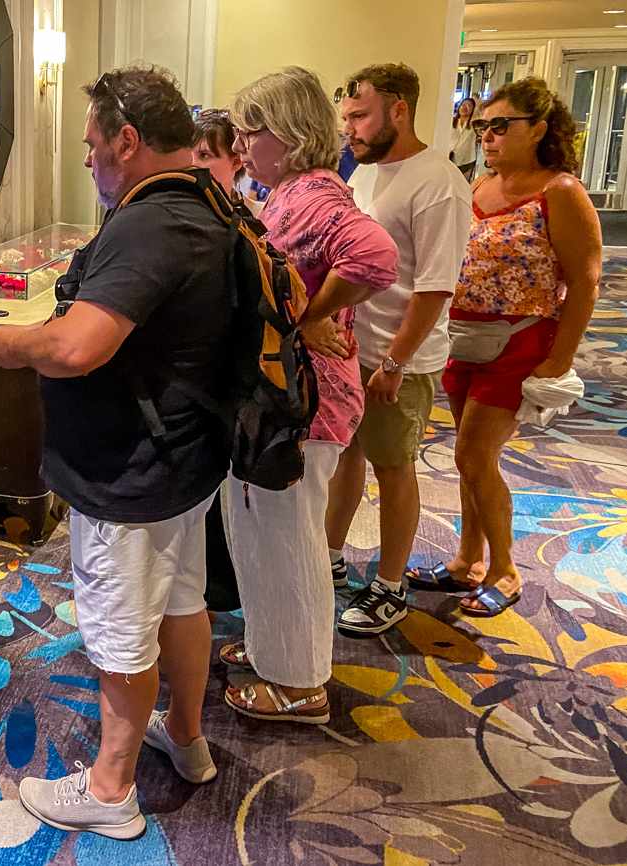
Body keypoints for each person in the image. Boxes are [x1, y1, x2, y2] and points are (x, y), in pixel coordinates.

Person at [0, 66, 248, 838]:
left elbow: (75, 346)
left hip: (131, 468)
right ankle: (188, 742)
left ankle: (108, 791)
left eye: (94, 146)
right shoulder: (204, 198)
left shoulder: (146, 223)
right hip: (184, 455)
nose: (89, 162)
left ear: (127, 141)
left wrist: (7, 345)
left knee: (119, 629)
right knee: (179, 602)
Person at [220, 67, 397, 722]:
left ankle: (298, 684)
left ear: (288, 133)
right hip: (288, 395)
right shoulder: (285, 191)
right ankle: (275, 646)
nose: (242, 143)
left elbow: (375, 257)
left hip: (308, 400)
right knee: (263, 534)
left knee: (289, 539)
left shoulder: (315, 195)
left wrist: (307, 313)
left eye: (251, 129)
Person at [431, 77, 601, 616]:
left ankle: (504, 570)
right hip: (464, 339)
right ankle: (466, 559)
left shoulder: (561, 192)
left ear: (540, 130)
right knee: (469, 461)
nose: (487, 136)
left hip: (521, 343)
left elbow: (586, 279)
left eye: (501, 126)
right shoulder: (478, 187)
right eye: (482, 126)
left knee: (473, 455)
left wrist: (560, 359)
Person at [326, 64, 472, 637]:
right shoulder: (365, 173)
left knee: (393, 468)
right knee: (344, 460)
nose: (350, 130)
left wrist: (394, 362)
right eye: (347, 119)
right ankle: (331, 556)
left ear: (399, 110)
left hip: (397, 359)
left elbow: (435, 286)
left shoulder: (437, 182)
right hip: (350, 349)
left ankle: (390, 584)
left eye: (360, 116)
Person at [191, 109, 245, 614]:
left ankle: (224, 585)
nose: (197, 164)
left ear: (236, 160)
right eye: (192, 154)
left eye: (207, 155)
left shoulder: (241, 218)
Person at [451, 97, 480, 180]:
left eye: (469, 106)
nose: (465, 107)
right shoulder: (452, 121)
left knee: (463, 184)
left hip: (467, 161)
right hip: (451, 158)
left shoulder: (474, 124)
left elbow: (481, 113)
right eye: (463, 105)